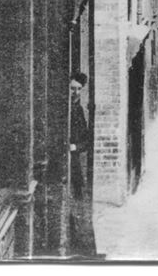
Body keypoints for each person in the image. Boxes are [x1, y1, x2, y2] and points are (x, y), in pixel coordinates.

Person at [68, 72, 97, 257]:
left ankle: (82, 248)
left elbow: (87, 140)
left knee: (79, 202)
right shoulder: (67, 107)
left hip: (75, 162)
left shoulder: (79, 110)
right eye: (73, 88)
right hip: (68, 162)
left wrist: (75, 146)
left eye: (79, 89)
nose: (75, 92)